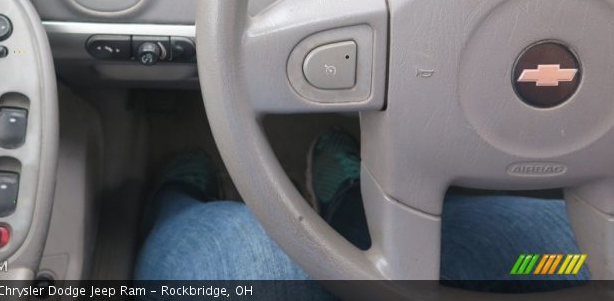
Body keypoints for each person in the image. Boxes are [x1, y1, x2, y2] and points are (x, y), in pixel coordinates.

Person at [134, 131, 588, 295]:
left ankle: (174, 201)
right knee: (583, 259)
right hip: (544, 267)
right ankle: (350, 206)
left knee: (249, 243)